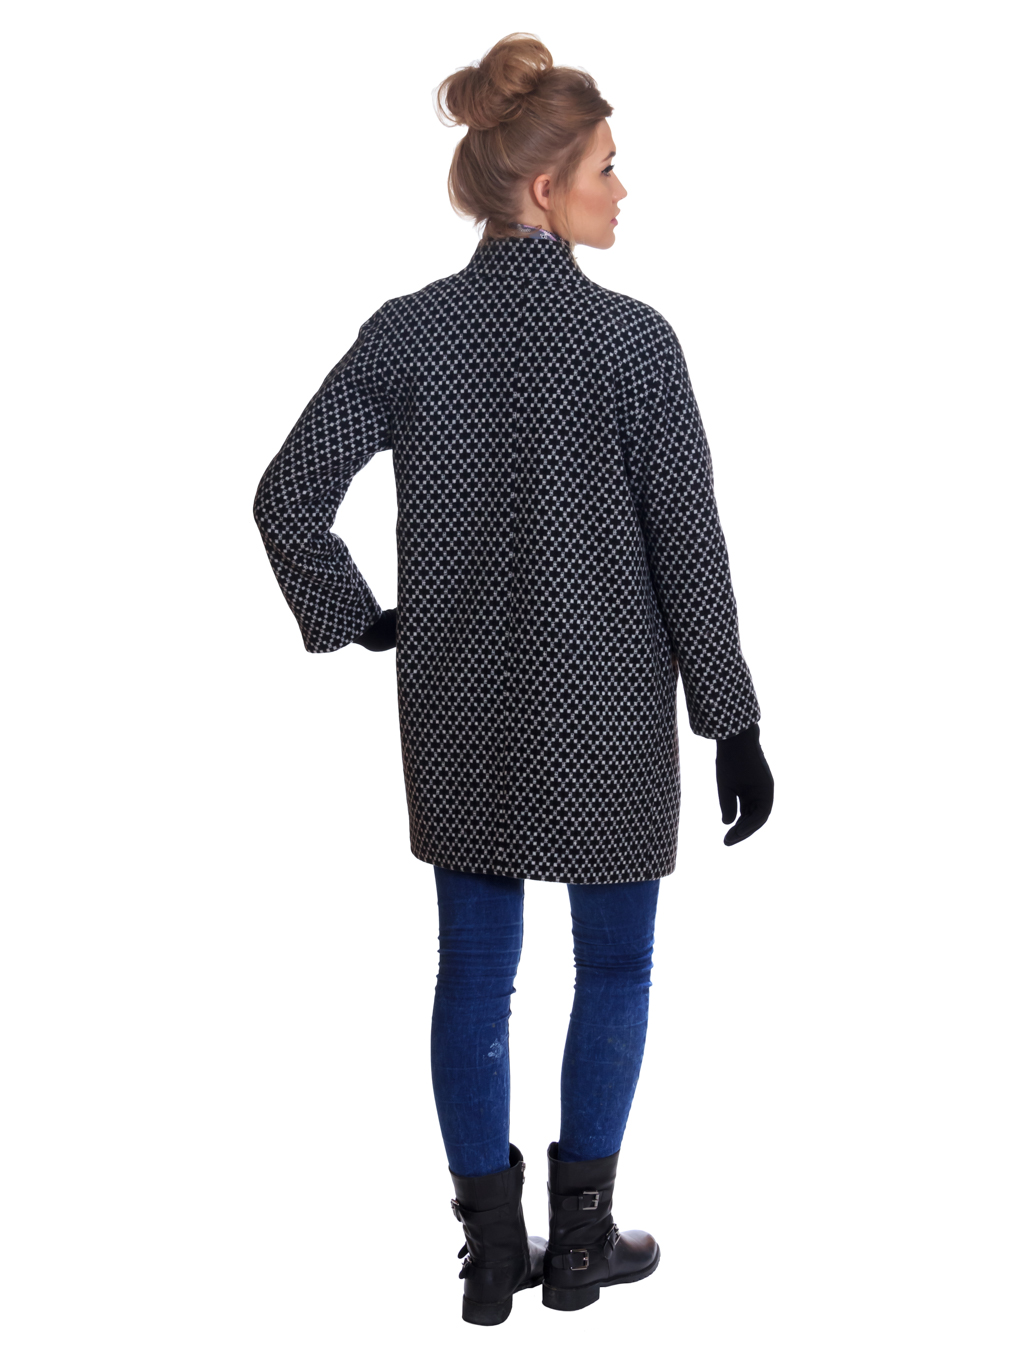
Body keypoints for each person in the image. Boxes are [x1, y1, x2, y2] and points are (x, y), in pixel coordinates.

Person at [252, 31, 774, 1327]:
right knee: (616, 968)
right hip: (608, 714)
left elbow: (285, 498)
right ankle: (580, 1248)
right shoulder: (633, 345)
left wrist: (362, 620)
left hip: (461, 709)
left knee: (472, 974)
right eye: (606, 167)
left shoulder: (410, 334)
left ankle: (492, 1254)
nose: (622, 189)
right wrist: (732, 719)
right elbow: (688, 545)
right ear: (544, 186)